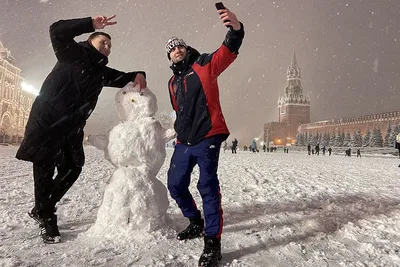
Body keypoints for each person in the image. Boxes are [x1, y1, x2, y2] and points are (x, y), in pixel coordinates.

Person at [15, 15, 147, 244]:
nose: (107, 48)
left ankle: (42, 207)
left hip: (72, 128)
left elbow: (122, 77)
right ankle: (47, 216)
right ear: (90, 41)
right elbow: (56, 30)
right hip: (48, 123)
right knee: (44, 171)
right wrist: (90, 23)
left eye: (109, 46)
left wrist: (139, 74)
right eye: (102, 42)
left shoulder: (100, 72)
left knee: (73, 167)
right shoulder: (71, 52)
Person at [165, 5, 244, 267]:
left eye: (180, 46)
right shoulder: (172, 83)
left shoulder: (204, 64)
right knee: (175, 184)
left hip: (208, 137)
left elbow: (227, 52)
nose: (177, 50)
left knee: (207, 187)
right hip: (183, 142)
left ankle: (212, 243)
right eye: (172, 48)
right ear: (169, 56)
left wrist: (235, 29)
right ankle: (196, 222)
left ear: (186, 49)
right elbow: (179, 111)